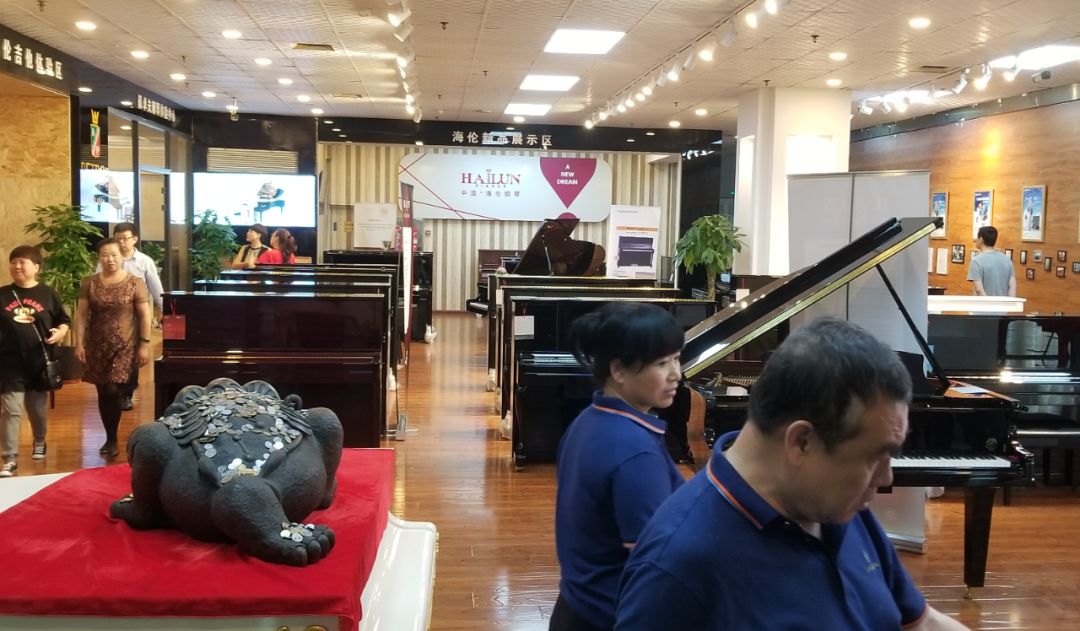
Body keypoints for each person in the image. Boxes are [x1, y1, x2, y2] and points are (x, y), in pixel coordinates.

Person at [614, 318, 969, 630]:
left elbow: (922, 623)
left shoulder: (841, 509)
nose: (886, 477)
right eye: (873, 456)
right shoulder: (675, 570)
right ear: (801, 442)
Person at [551, 302, 686, 631]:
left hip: (574, 607)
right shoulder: (635, 452)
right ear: (619, 371)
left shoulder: (587, 420)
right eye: (662, 363)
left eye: (677, 359)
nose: (676, 374)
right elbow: (656, 562)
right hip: (611, 616)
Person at [76, 238, 152, 458]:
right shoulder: (89, 282)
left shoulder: (135, 282)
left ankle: (112, 438)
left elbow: (145, 315)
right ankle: (110, 436)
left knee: (112, 390)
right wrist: (79, 343)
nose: (110, 259)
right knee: (103, 392)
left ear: (122, 257)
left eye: (114, 255)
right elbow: (81, 315)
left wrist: (144, 344)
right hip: (97, 345)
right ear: (99, 258)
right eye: (105, 255)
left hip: (125, 346)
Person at [0, 246, 71, 476]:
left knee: (37, 409)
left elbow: (63, 319)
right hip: (9, 363)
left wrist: (61, 332)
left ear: (36, 267)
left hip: (39, 362)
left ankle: (39, 440)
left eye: (22, 262)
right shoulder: (2, 294)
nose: (17, 266)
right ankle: (9, 458)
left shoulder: (47, 293)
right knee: (11, 410)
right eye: (13, 262)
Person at [98, 222, 163, 411]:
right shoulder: (107, 259)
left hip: (135, 315)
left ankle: (126, 393)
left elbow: (156, 289)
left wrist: (164, 310)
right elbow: (96, 283)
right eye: (117, 238)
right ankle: (111, 389)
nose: (121, 242)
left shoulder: (144, 261)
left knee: (131, 356)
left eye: (124, 238)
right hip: (109, 315)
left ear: (134, 239)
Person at [967, 226, 1016, 297]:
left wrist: (990, 303)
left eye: (977, 238)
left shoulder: (976, 261)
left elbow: (979, 289)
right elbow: (1012, 287)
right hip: (1004, 303)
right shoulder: (1007, 260)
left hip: (985, 303)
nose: (976, 240)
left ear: (981, 239)